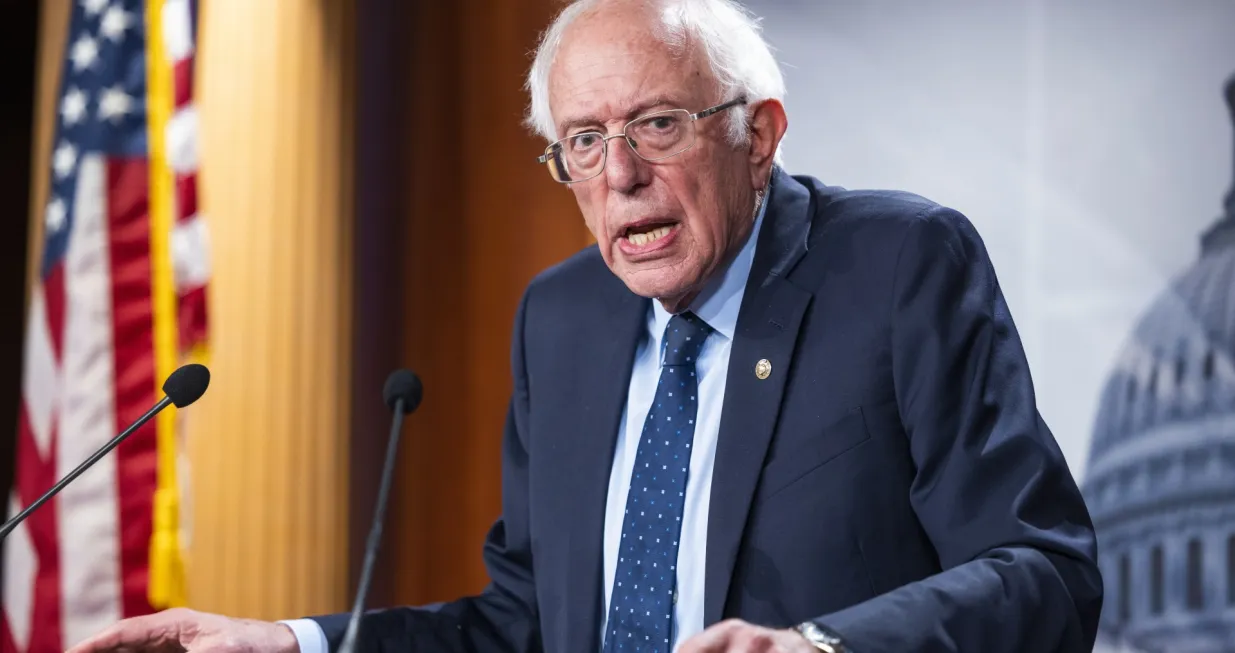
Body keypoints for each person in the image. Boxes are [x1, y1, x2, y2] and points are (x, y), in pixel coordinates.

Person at [69, 0, 1103, 651]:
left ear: (759, 134)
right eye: (581, 140)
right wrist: (291, 640)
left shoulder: (897, 265)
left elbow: (1042, 571)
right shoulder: (559, 319)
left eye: (657, 124)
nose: (617, 176)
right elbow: (522, 622)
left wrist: (819, 645)